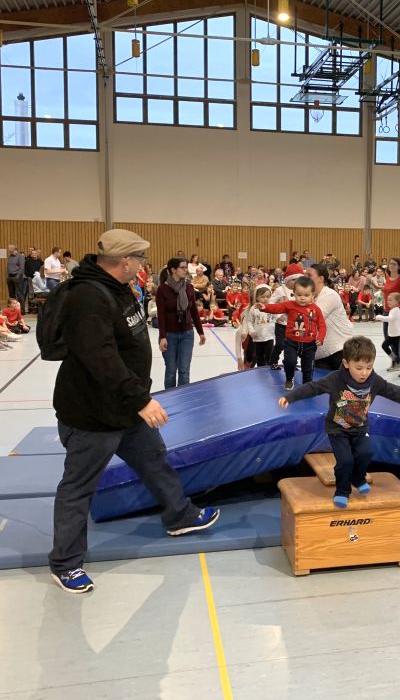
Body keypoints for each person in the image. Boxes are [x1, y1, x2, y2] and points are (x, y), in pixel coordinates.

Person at [49, 229, 219, 594]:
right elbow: (101, 359)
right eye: (140, 258)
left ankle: (180, 515)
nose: (143, 264)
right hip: (93, 413)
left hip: (125, 407)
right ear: (125, 260)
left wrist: (136, 398)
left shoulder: (119, 288)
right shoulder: (88, 297)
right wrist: (141, 399)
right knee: (78, 486)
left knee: (154, 459)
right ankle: (65, 563)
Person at [279, 336, 400, 507]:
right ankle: (342, 490)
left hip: (360, 428)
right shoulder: (335, 379)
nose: (364, 373)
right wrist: (290, 397)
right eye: (359, 368)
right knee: (345, 461)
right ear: (346, 363)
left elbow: (396, 393)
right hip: (337, 429)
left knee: (366, 453)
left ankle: (358, 478)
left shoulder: (374, 381)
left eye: (369, 367)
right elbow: (312, 388)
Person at [259, 276, 326, 391]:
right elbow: (277, 307)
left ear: (313, 295)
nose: (302, 298)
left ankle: (307, 384)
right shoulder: (290, 305)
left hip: (309, 344)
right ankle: (289, 378)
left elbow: (322, 325)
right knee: (290, 362)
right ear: (293, 293)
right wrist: (265, 307)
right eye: (299, 295)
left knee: (308, 367)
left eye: (306, 295)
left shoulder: (316, 309)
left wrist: (320, 337)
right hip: (292, 343)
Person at [155, 257, 205, 389]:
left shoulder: (189, 287)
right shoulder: (162, 289)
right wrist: (162, 336)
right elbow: (161, 315)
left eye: (186, 267)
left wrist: (200, 332)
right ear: (173, 270)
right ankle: (170, 398)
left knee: (184, 371)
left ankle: (183, 398)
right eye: (182, 267)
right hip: (169, 335)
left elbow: (194, 311)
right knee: (171, 372)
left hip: (187, 334)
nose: (185, 270)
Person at [307, 263, 354, 371]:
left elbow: (312, 318)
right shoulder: (310, 297)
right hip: (321, 353)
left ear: (321, 279)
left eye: (309, 275)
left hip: (339, 349)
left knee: (343, 381)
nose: (305, 278)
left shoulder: (329, 295)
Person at [268, 264, 304, 370]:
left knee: (294, 346)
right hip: (282, 324)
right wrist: (277, 315)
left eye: (299, 279)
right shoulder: (280, 290)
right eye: (294, 279)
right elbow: (271, 303)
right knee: (280, 344)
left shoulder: (301, 290)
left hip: (295, 324)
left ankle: (291, 363)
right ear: (287, 280)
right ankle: (273, 361)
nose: (296, 282)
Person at [375, 292, 400, 377]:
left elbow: (390, 319)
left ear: (397, 301)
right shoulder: (393, 310)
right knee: (384, 346)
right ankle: (394, 359)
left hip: (399, 335)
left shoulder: (396, 310)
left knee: (398, 351)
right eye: (387, 300)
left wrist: (379, 317)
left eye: (390, 300)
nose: (388, 302)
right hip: (392, 335)